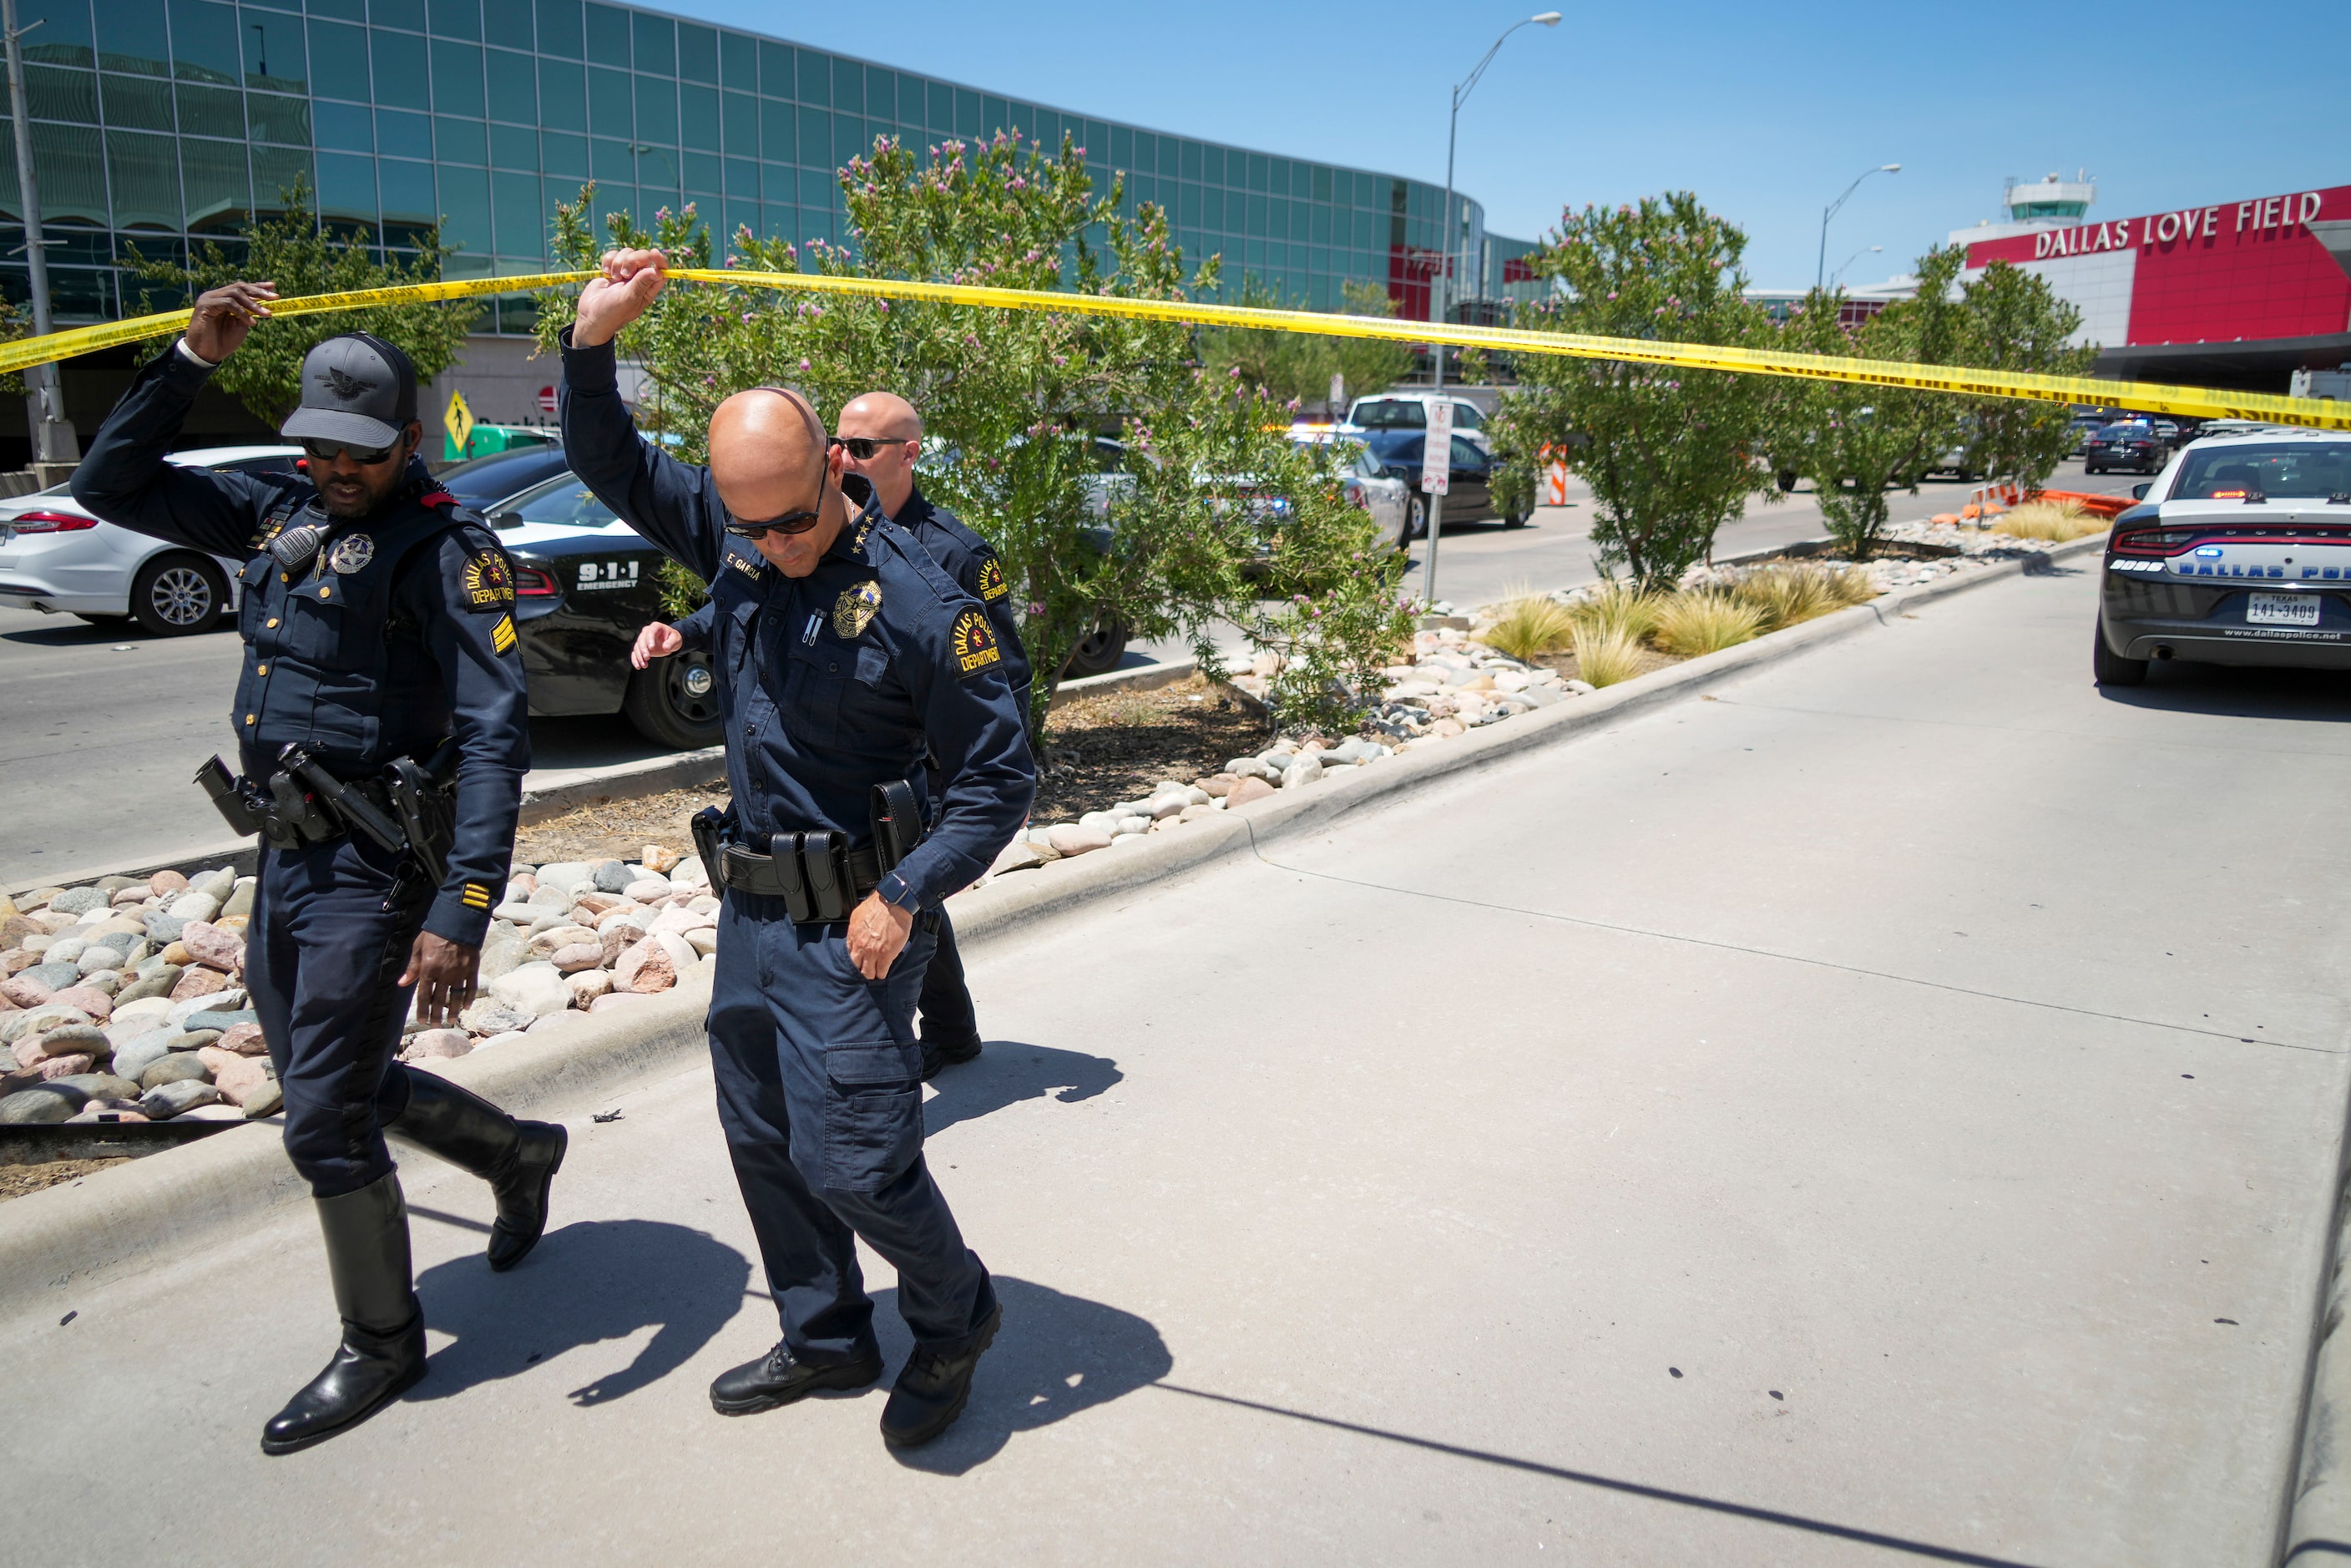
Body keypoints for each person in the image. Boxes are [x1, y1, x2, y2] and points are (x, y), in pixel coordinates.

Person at [71, 286, 567, 1456]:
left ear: (406, 439)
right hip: (283, 848)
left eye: (358, 452)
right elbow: (109, 486)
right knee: (325, 1080)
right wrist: (192, 358)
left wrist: (466, 906)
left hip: (375, 864)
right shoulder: (276, 508)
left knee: (322, 1126)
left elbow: (499, 733)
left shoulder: (447, 550)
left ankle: (384, 1340)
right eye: (318, 448)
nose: (334, 469)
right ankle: (516, 1150)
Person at [560, 248, 1035, 1449]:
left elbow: (999, 778)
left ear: (837, 468)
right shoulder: (735, 529)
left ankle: (952, 1314)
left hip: (859, 924)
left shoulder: (927, 603)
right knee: (767, 1143)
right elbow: (608, 459)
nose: (769, 546)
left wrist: (907, 892)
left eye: (790, 522)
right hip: (754, 914)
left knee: (862, 1160)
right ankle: (827, 1335)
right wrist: (593, 339)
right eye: (750, 528)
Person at [631, 389, 1033, 1080]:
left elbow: (1001, 685)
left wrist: (941, 818)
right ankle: (951, 1026)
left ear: (906, 453)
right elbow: (739, 604)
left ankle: (947, 1028)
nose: (852, 456)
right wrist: (687, 631)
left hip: (913, 783)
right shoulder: (791, 537)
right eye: (844, 440)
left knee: (905, 902)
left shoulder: (947, 555)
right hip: (824, 837)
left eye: (867, 446)